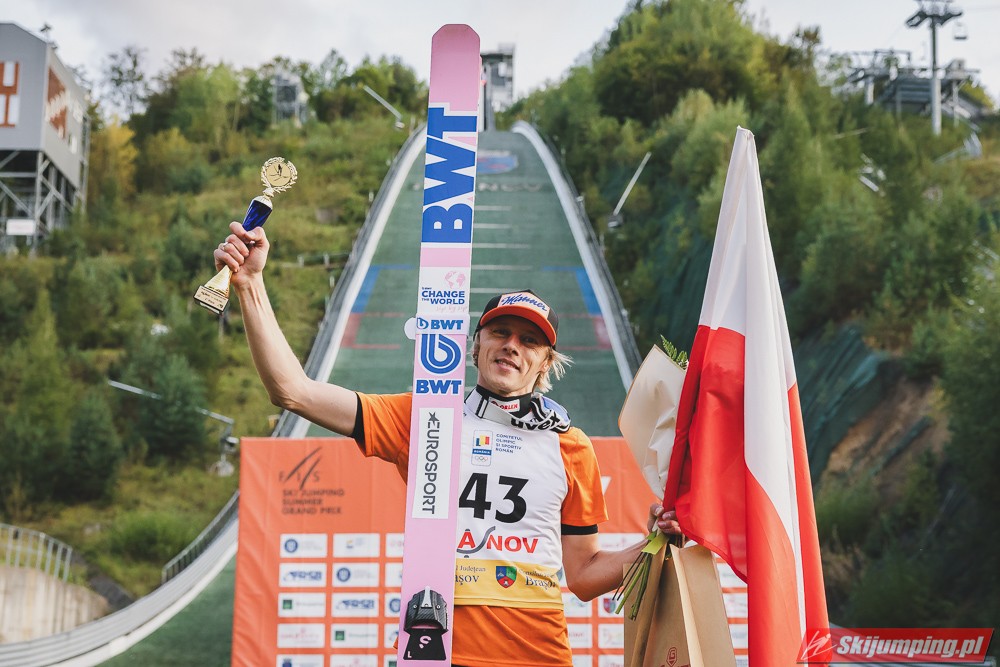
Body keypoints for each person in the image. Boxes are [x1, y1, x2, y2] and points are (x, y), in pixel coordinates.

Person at [214, 221, 681, 667]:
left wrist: (656, 542)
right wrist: (250, 284)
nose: (512, 345)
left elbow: (584, 575)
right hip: (436, 649)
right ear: (475, 345)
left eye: (529, 340)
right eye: (500, 332)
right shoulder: (426, 418)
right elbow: (292, 391)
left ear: (545, 363)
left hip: (539, 654)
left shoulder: (570, 446)